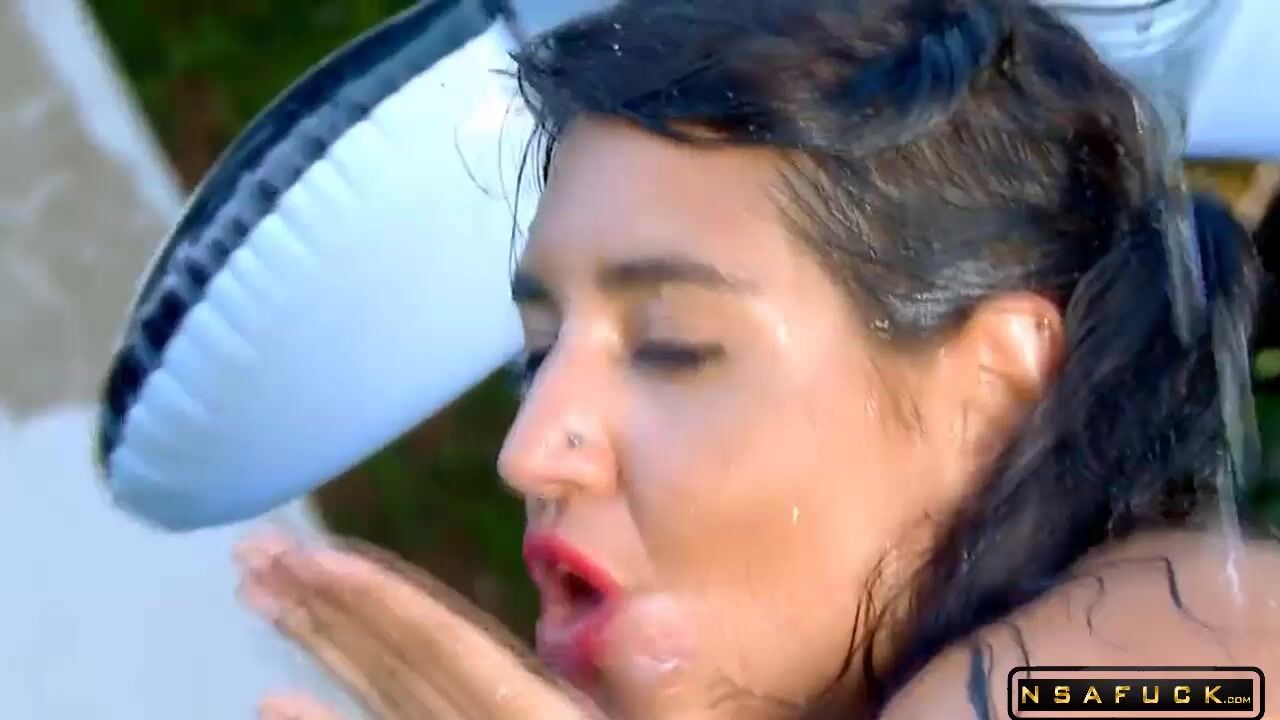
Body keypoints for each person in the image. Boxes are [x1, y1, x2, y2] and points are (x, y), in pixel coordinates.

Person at [235, 0, 1280, 718]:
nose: (529, 451)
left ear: (993, 389)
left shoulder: (1168, 648)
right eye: (539, 357)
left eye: (672, 345)